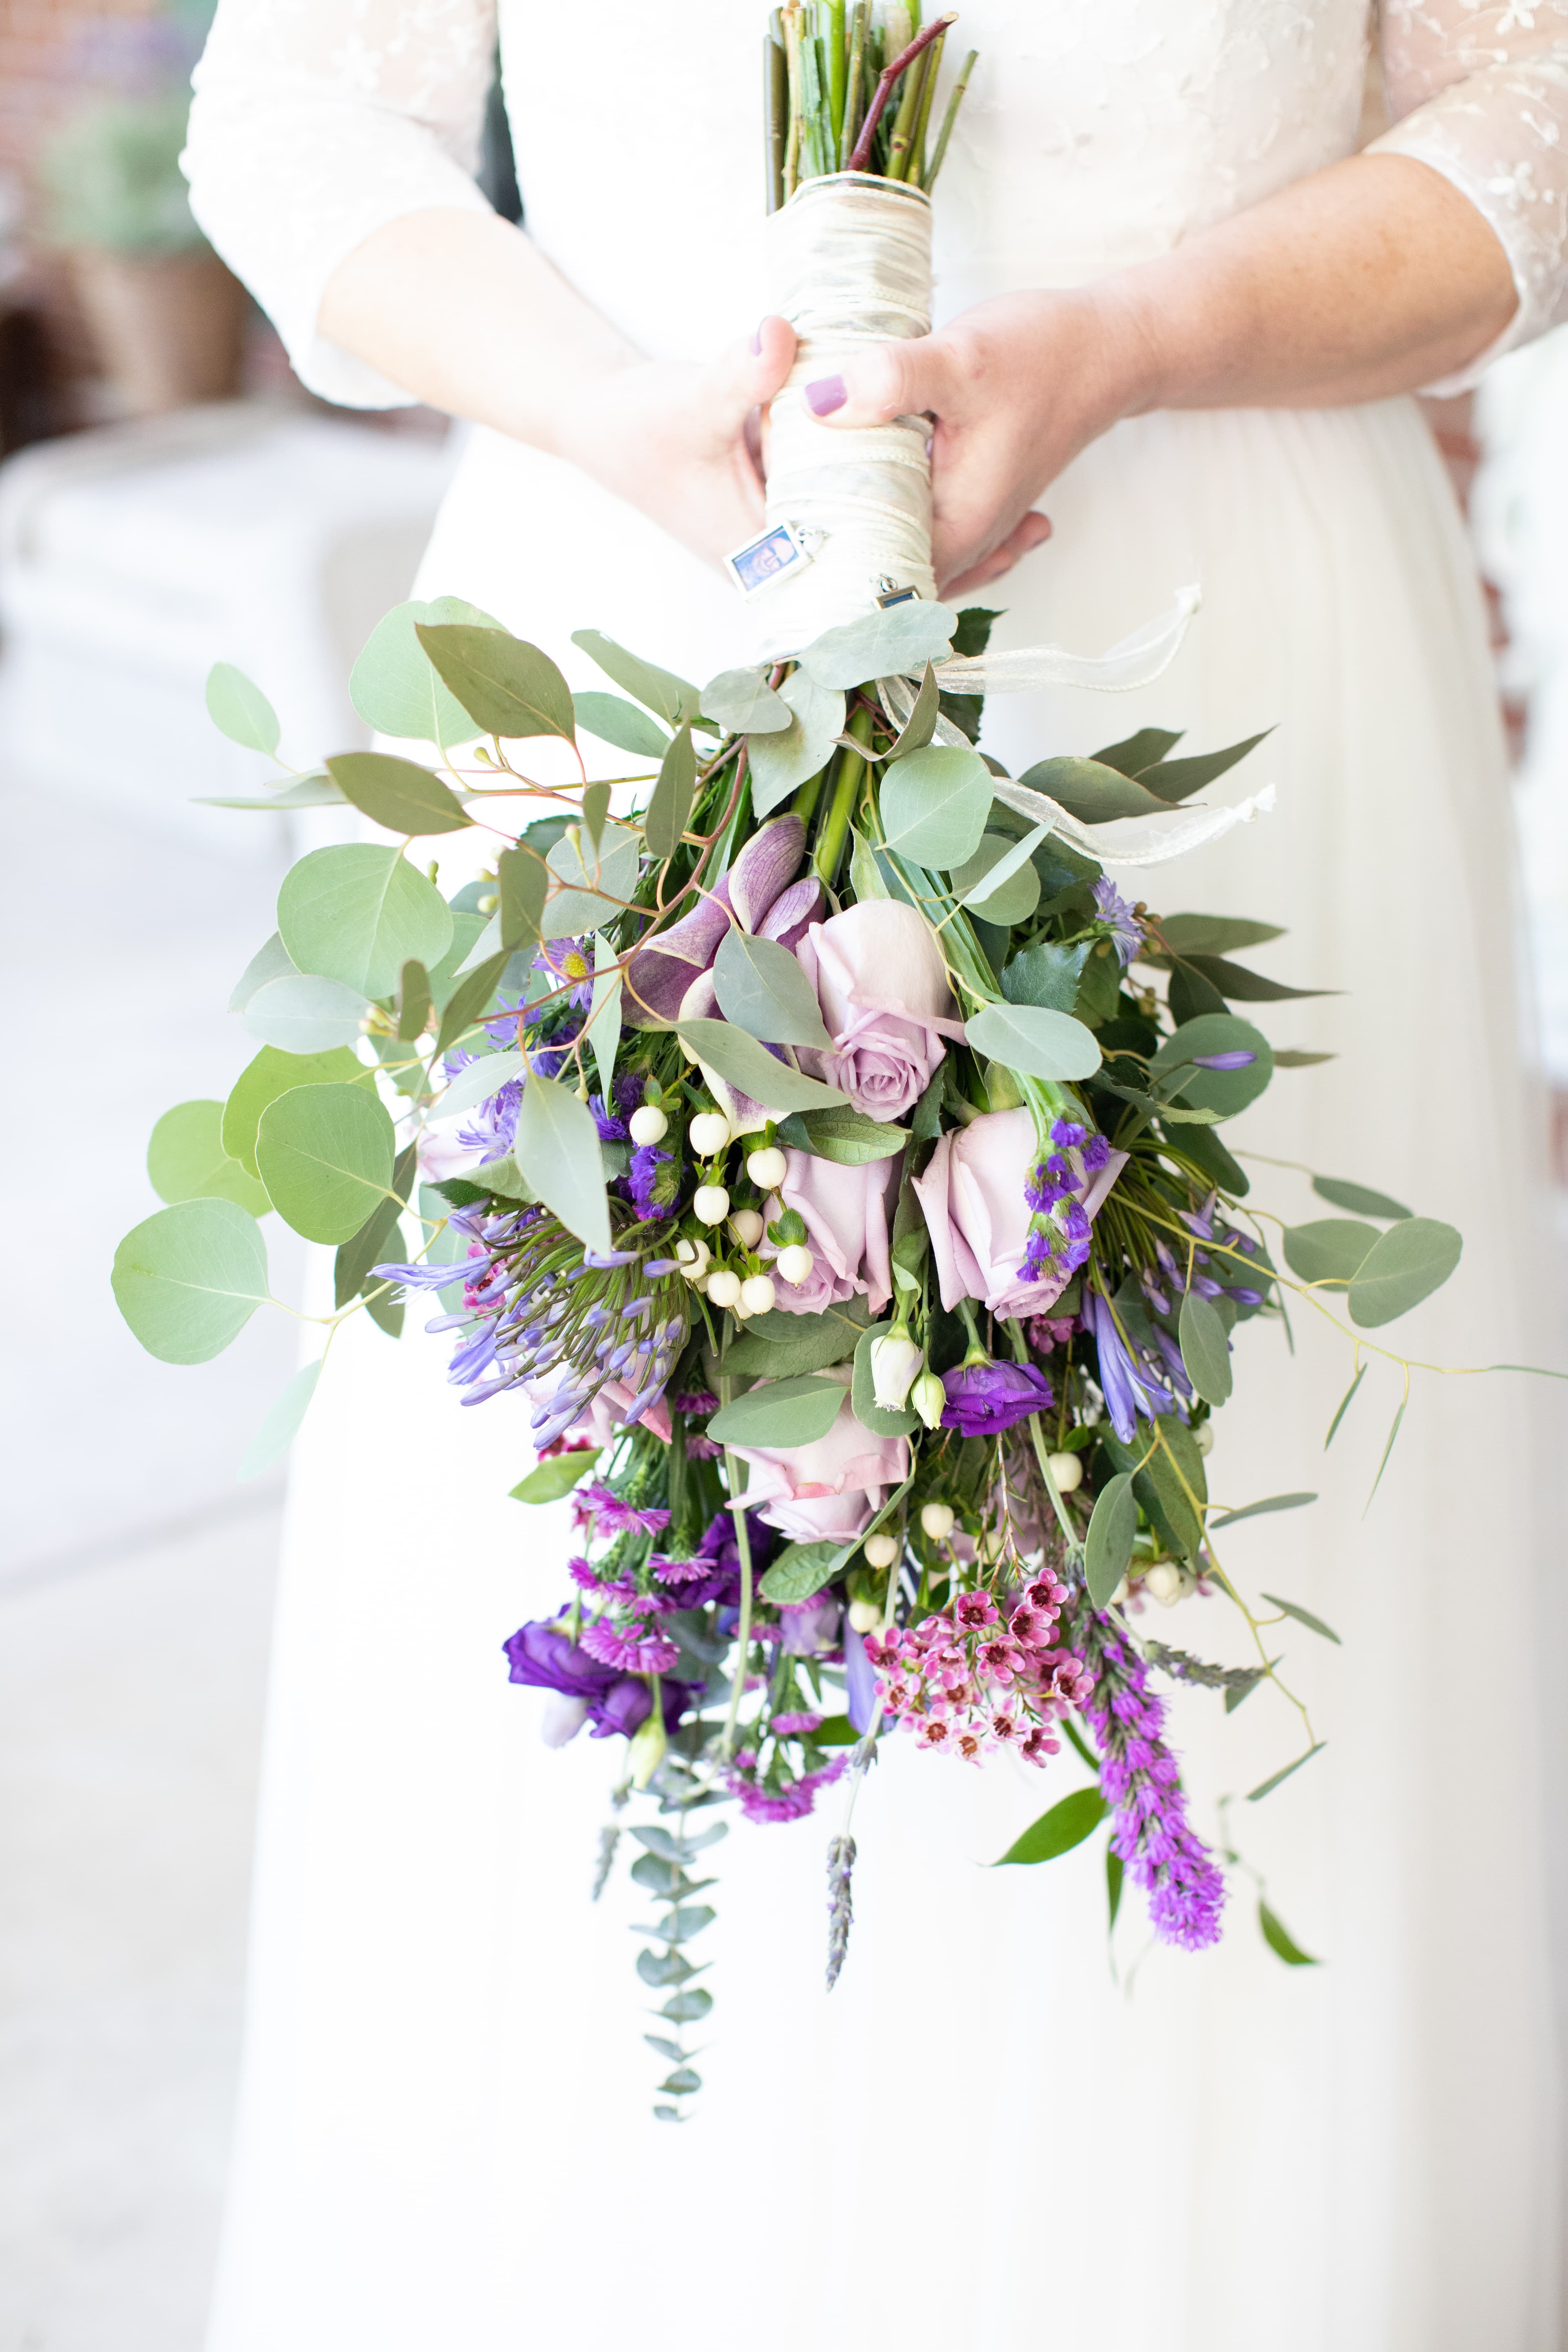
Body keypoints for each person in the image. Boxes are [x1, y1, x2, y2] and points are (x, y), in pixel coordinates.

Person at [183, 7, 1568, 2348]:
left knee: (1240, 1542)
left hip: (1245, 658)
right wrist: (608, 407)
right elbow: (295, 112)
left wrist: (1137, 336)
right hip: (644, 572)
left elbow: (1528, 108)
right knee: (630, 1538)